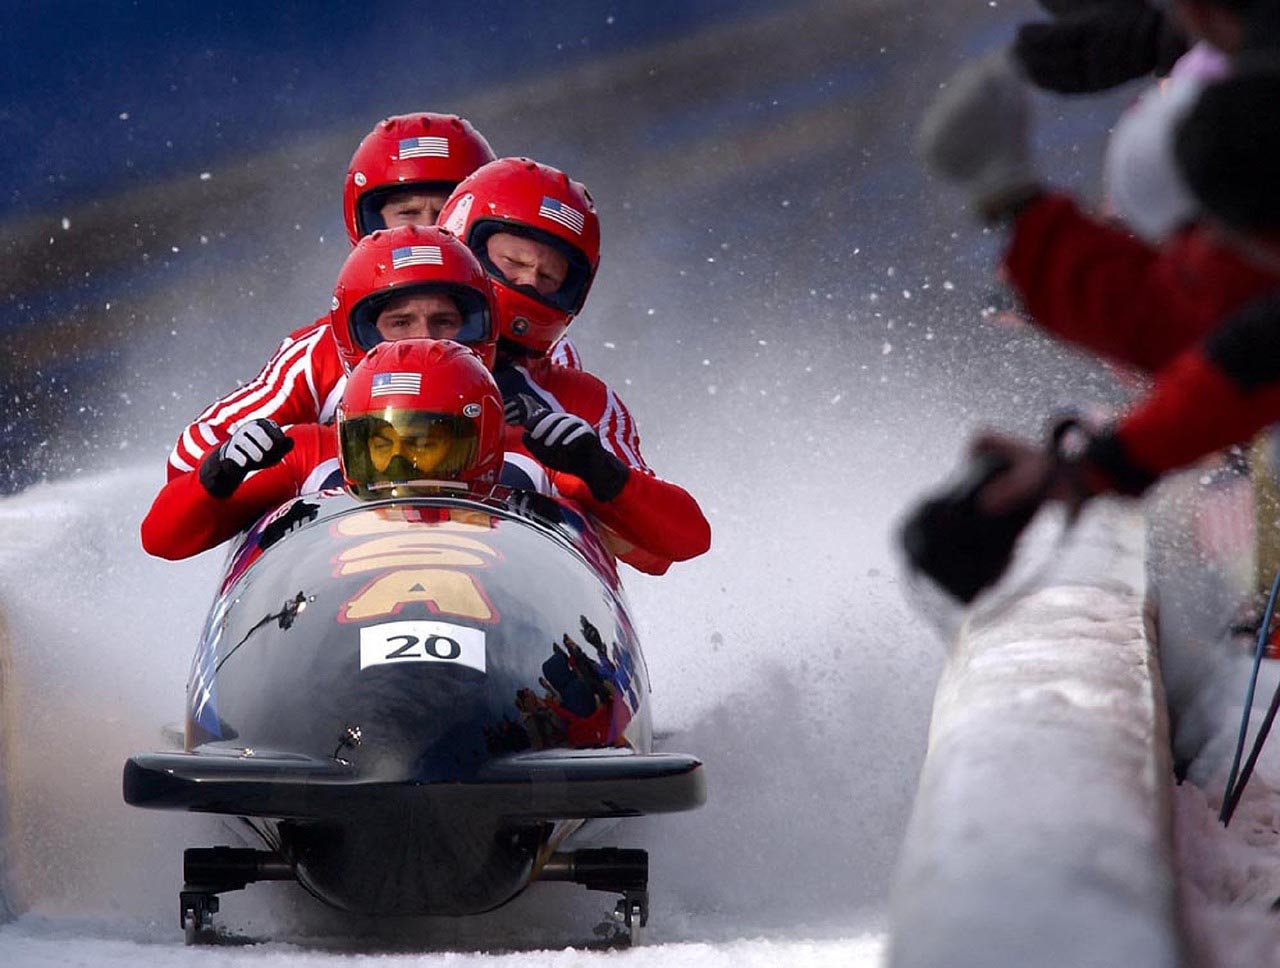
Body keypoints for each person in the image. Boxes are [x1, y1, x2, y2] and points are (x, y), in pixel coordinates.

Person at [165, 113, 512, 480]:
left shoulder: (529, 347)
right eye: (407, 213)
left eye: (447, 212)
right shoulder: (320, 355)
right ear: (367, 221)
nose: (429, 228)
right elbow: (190, 456)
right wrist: (240, 457)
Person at [439, 157, 712, 574]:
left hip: (517, 596)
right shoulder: (328, 353)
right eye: (513, 261)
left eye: (548, 275)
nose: (529, 281)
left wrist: (596, 470)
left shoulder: (574, 392)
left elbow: (670, 547)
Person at [141, 338, 509, 561]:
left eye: (423, 442)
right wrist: (217, 473)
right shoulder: (307, 455)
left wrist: (571, 464)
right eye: (379, 442)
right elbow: (163, 539)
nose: (397, 461)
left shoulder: (528, 457)